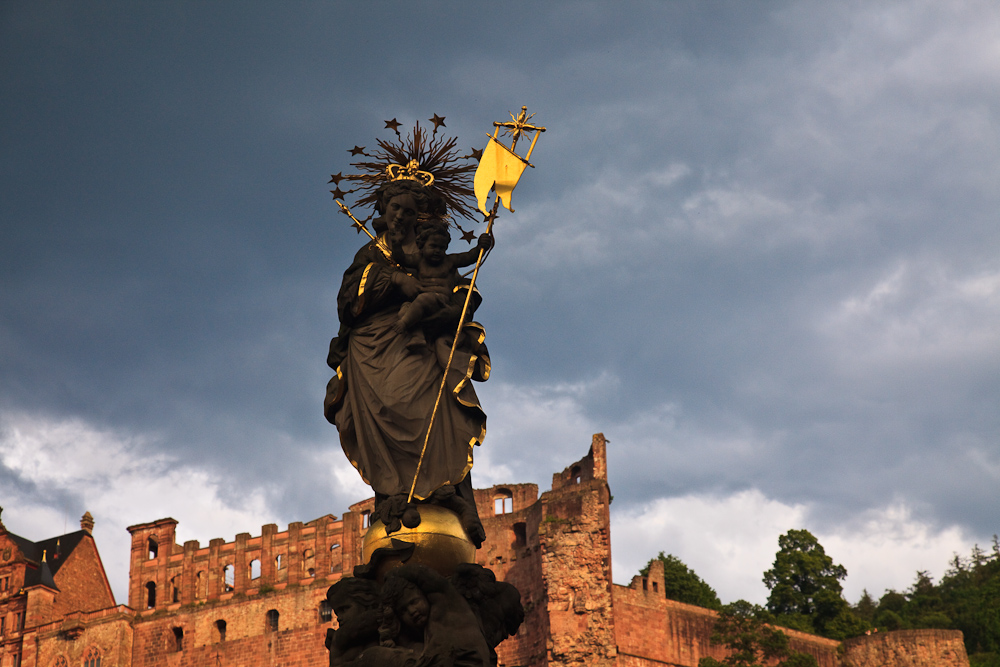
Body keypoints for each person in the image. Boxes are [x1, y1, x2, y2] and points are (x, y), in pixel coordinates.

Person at [325, 180, 489, 545]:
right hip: (373, 351)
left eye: (409, 211)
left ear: (419, 217)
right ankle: (394, 496)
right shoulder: (371, 253)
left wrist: (459, 299)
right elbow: (348, 300)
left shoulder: (430, 250)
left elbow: (461, 287)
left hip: (422, 350)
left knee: (439, 414)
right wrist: (397, 280)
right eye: (395, 208)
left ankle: (451, 499)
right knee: (385, 415)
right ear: (384, 209)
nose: (401, 216)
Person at [390, 220, 493, 334]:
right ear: (422, 246)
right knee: (404, 310)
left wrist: (480, 247)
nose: (437, 251)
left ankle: (403, 324)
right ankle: (417, 339)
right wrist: (396, 244)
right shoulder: (419, 260)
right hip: (420, 301)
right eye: (433, 246)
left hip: (440, 301)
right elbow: (401, 259)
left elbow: (469, 257)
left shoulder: (450, 261)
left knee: (422, 300)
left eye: (442, 248)